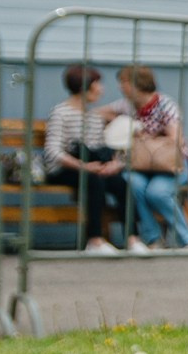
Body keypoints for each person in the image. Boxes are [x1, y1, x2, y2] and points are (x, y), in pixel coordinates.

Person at [44, 63, 127, 253]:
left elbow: (100, 147)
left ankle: (132, 238)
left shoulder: (93, 116)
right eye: (98, 84)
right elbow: (53, 151)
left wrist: (113, 164)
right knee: (93, 181)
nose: (102, 89)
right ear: (84, 87)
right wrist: (83, 166)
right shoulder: (60, 112)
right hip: (63, 170)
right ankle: (95, 240)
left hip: (92, 167)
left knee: (121, 183)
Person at [116, 65, 188, 251]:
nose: (120, 87)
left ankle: (187, 240)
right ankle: (153, 238)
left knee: (157, 192)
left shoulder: (165, 105)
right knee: (132, 183)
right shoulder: (125, 106)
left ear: (135, 84)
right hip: (142, 167)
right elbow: (102, 112)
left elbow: (175, 140)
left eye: (123, 82)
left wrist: (145, 137)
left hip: (171, 165)